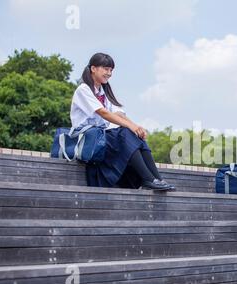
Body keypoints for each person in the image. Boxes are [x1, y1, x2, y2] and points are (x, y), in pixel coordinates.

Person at [70, 53, 175, 191]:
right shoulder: (83, 89)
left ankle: (156, 179)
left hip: (100, 137)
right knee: (125, 133)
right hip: (87, 139)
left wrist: (136, 127)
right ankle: (148, 179)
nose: (109, 73)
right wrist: (130, 126)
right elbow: (104, 113)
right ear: (93, 68)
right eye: (106, 69)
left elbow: (118, 113)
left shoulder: (103, 91)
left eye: (111, 70)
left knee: (134, 135)